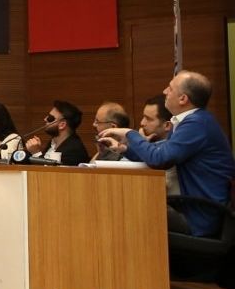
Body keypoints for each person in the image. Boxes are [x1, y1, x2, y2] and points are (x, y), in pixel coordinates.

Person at [98, 71, 235, 236]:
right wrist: (124, 149)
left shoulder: (197, 124)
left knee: (127, 205)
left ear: (183, 99)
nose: (164, 92)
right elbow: (160, 157)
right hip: (193, 208)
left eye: (170, 88)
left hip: (199, 218)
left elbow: (159, 159)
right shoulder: (192, 121)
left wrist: (129, 133)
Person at [25, 100, 90, 165]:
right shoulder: (53, 143)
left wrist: (36, 153)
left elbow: (50, 171)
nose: (45, 119)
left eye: (50, 118)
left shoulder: (74, 151)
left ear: (62, 125)